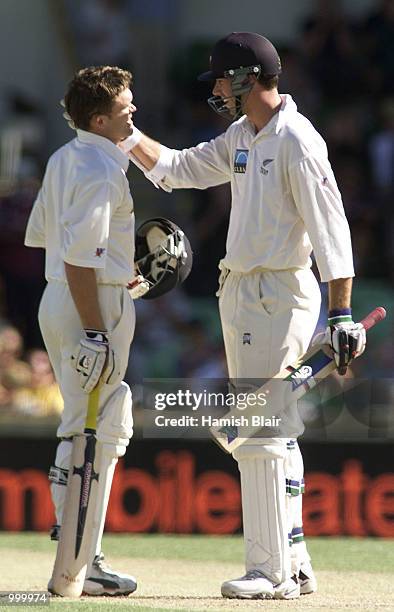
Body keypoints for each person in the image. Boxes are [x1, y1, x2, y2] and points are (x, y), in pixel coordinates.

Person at [120, 32, 366, 600]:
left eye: (223, 81)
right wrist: (127, 136)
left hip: (279, 292)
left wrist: (342, 313)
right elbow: (179, 168)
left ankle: (269, 571)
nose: (218, 92)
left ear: (247, 78)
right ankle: (295, 561)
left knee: (258, 429)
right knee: (277, 428)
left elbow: (333, 230)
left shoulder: (298, 140)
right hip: (242, 293)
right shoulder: (242, 135)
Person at [24, 66, 139, 596]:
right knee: (100, 427)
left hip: (67, 299)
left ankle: (76, 549)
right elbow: (78, 258)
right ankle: (81, 562)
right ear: (99, 118)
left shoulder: (66, 156)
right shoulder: (99, 167)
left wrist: (123, 274)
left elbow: (53, 240)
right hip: (88, 305)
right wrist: (96, 329)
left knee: (81, 424)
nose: (133, 111)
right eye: (124, 108)